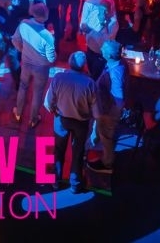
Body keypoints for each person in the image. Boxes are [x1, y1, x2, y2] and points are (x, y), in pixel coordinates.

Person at [44, 51, 96, 193]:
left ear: (69, 62)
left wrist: (54, 110)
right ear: (84, 66)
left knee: (59, 150)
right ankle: (75, 184)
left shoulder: (59, 78)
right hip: (81, 123)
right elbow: (96, 111)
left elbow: (49, 102)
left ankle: (56, 181)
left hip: (61, 119)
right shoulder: (90, 83)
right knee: (78, 153)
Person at [12, 2, 56, 128]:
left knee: (23, 87)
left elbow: (15, 40)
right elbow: (51, 58)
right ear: (46, 16)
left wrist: (23, 50)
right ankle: (32, 119)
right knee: (38, 92)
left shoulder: (24, 24)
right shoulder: (47, 35)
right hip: (41, 67)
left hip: (26, 63)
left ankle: (18, 113)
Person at [87, 40, 126, 174]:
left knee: (107, 137)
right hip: (104, 108)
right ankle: (96, 145)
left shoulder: (115, 74)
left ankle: (107, 164)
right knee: (102, 132)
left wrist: (110, 114)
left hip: (108, 112)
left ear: (109, 55)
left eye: (103, 48)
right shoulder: (115, 63)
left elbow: (119, 98)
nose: (101, 49)